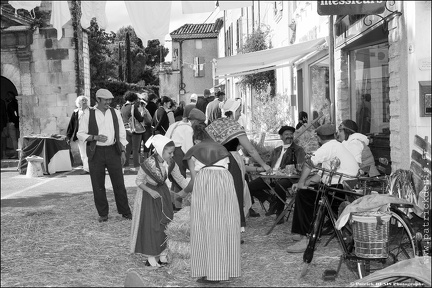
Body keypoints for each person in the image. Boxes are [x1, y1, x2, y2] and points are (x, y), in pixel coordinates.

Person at [286, 124, 359, 253]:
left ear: (319, 138)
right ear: (334, 135)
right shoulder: (336, 146)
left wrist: (302, 182)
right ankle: (300, 231)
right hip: (343, 188)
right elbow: (322, 174)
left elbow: (309, 163)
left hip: (338, 190)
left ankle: (306, 237)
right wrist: (306, 182)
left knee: (304, 195)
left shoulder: (328, 147)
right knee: (306, 190)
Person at [183, 124, 241, 284]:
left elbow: (194, 180)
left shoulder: (193, 152)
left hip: (205, 183)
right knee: (226, 223)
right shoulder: (222, 149)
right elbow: (228, 168)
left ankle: (209, 272)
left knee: (204, 226)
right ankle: (226, 269)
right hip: (225, 182)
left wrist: (182, 194)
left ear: (196, 139)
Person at [205, 98, 272, 229]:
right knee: (234, 194)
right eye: (239, 111)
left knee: (220, 195)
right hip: (231, 161)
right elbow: (251, 150)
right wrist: (264, 165)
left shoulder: (213, 125)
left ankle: (219, 225)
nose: (240, 114)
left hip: (214, 162)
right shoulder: (234, 127)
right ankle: (234, 226)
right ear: (232, 111)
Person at [130, 134, 191, 267]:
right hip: (149, 196)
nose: (172, 155)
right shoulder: (148, 164)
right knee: (153, 225)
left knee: (166, 221)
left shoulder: (170, 163)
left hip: (162, 193)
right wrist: (151, 191)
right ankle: (151, 255)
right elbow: (139, 181)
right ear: (160, 150)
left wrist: (191, 189)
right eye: (169, 152)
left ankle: (162, 253)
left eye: (172, 152)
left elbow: (179, 178)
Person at [77, 88, 132, 223]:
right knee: (98, 184)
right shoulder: (88, 113)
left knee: (119, 183)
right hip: (96, 152)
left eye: (110, 100)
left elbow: (121, 133)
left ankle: (125, 211)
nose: (108, 102)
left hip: (114, 150)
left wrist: (123, 151)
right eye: (106, 100)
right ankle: (103, 214)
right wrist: (94, 137)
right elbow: (80, 133)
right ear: (98, 100)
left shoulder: (115, 112)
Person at [248, 125, 305, 222]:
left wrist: (287, 169)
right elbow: (270, 163)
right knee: (250, 186)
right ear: (281, 137)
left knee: (280, 185)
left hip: (288, 177)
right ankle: (270, 199)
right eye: (286, 134)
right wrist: (264, 167)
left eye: (291, 134)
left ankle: (280, 214)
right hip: (271, 176)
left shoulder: (298, 150)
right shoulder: (277, 150)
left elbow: (300, 165)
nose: (289, 136)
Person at [164, 108, 206, 194]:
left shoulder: (175, 124)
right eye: (199, 123)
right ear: (195, 121)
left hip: (168, 153)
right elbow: (188, 149)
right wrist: (195, 164)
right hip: (178, 154)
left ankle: (172, 201)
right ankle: (177, 205)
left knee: (174, 179)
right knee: (179, 179)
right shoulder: (188, 129)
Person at [121, 91, 151, 172]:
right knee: (136, 149)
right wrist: (142, 113)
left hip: (126, 129)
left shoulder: (123, 107)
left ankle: (126, 166)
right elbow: (140, 118)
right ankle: (136, 166)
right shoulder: (132, 107)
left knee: (128, 148)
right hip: (135, 130)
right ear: (133, 98)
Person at [66, 95, 91, 175]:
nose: (84, 102)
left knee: (93, 153)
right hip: (80, 136)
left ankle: (95, 168)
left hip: (91, 135)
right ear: (78, 103)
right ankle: (86, 169)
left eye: (85, 100)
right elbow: (71, 125)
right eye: (82, 100)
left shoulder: (92, 111)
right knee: (83, 154)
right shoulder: (76, 112)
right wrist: (68, 137)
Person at [5, 91, 19, 159]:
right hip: (14, 123)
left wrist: (13, 121)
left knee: (14, 139)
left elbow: (15, 113)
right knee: (15, 139)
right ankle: (16, 153)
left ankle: (16, 154)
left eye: (7, 96)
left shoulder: (11, 104)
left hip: (12, 123)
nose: (6, 97)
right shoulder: (15, 103)